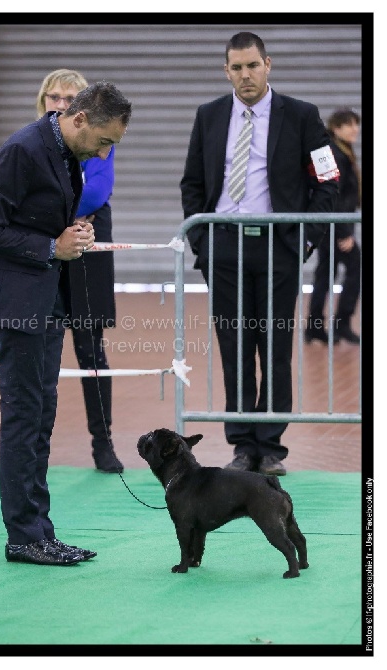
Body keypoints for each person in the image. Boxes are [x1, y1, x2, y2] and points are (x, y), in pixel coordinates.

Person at [0, 81, 132, 565]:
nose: (106, 151)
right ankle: (22, 537)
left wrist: (74, 231)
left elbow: (43, 217)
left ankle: (41, 531)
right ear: (79, 119)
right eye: (105, 140)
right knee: (23, 420)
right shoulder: (23, 150)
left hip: (46, 302)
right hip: (16, 305)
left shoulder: (67, 152)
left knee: (41, 418)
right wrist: (49, 248)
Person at [180, 32, 338, 476]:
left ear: (268, 64)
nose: (245, 75)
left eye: (252, 65)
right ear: (225, 70)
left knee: (274, 347)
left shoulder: (302, 115)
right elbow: (192, 183)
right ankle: (242, 444)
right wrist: (203, 242)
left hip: (278, 247)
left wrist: (306, 238)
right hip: (223, 246)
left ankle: (270, 446)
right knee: (234, 347)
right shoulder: (209, 115)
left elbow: (328, 180)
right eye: (237, 67)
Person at [36, 69, 124, 473]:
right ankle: (36, 444)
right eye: (52, 96)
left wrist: (59, 213)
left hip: (89, 242)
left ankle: (103, 441)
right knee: (41, 349)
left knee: (91, 351)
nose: (59, 103)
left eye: (68, 97)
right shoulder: (33, 142)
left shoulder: (100, 141)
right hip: (48, 246)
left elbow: (95, 192)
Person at [305, 108, 361, 345]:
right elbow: (333, 196)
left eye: (356, 124)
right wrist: (345, 232)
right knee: (354, 269)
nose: (355, 129)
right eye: (348, 124)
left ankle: (316, 327)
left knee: (325, 275)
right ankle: (340, 325)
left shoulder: (339, 150)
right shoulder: (334, 153)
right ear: (336, 128)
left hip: (327, 225)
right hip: (334, 226)